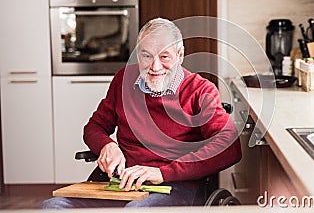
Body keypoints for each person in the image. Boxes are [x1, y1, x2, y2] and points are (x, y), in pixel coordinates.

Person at [42, 17, 241, 208]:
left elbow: (229, 147)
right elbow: (94, 127)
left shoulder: (200, 90)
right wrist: (107, 145)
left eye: (164, 56)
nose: (155, 67)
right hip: (122, 181)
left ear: (180, 56)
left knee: (136, 211)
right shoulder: (124, 80)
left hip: (174, 185)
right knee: (53, 207)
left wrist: (162, 173)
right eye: (147, 56)